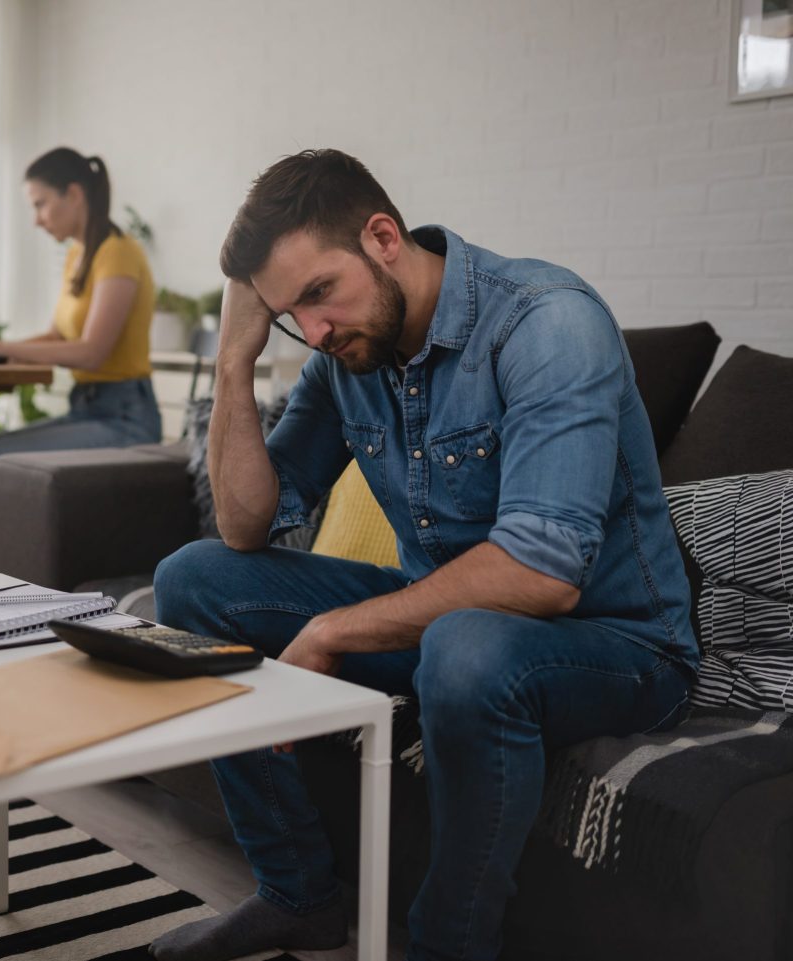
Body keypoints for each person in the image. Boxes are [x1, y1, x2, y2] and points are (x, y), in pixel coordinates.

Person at [149, 150, 698, 961]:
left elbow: (541, 574)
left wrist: (335, 630)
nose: (316, 330)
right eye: (288, 312)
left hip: (619, 647)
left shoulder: (546, 322)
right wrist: (236, 361)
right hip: (444, 630)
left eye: (318, 292)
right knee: (192, 579)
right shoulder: (347, 358)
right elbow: (246, 527)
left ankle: (450, 945)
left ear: (382, 237)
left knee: (464, 642)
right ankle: (295, 893)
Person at [0, 147, 162, 573]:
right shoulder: (77, 254)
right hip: (88, 407)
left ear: (75, 194)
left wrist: (2, 349)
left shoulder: (118, 252)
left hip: (124, 418)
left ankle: (5, 584)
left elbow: (91, 351)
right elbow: (57, 336)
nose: (37, 218)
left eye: (41, 204)